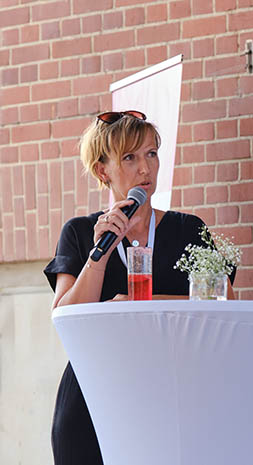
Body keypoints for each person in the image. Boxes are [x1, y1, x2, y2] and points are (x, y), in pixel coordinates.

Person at [44, 110, 235, 464]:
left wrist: (135, 303)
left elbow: (223, 303)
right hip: (92, 397)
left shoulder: (187, 230)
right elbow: (65, 316)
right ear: (104, 171)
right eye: (130, 158)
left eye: (151, 153)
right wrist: (98, 255)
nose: (145, 169)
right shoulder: (80, 233)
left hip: (170, 394)